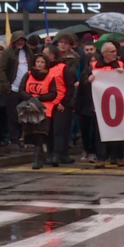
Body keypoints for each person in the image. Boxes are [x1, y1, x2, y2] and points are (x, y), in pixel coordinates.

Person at [89, 42, 124, 168]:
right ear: (104, 53)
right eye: (112, 51)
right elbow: (84, 81)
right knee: (100, 133)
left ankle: (119, 156)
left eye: (116, 51)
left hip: (117, 104)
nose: (115, 54)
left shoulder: (120, 65)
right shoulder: (94, 66)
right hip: (100, 105)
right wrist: (88, 79)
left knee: (118, 132)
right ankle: (101, 158)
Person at [19, 54, 58, 170]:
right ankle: (41, 156)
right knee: (32, 133)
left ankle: (37, 159)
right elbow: (21, 90)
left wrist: (39, 98)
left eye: (42, 62)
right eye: (38, 62)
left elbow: (53, 93)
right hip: (30, 107)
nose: (40, 64)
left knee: (41, 133)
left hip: (44, 108)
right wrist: (30, 97)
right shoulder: (28, 75)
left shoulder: (51, 76)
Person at [0, 31, 32, 151]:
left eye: (22, 40)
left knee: (26, 114)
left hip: (25, 89)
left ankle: (24, 138)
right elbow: (0, 69)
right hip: (12, 89)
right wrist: (7, 86)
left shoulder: (28, 52)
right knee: (12, 116)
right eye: (18, 40)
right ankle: (14, 139)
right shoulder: (7, 52)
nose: (20, 42)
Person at [48, 35, 79, 166]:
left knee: (64, 128)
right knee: (52, 129)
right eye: (61, 43)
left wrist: (61, 65)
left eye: (66, 43)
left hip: (66, 98)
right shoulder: (49, 59)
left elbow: (72, 75)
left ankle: (62, 154)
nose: (63, 45)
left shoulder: (74, 59)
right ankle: (53, 153)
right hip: (51, 99)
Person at [75, 53, 99, 163]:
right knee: (85, 129)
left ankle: (93, 151)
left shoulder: (102, 74)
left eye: (95, 61)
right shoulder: (85, 74)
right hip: (85, 106)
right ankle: (85, 149)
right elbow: (80, 91)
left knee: (94, 131)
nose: (92, 63)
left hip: (96, 106)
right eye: (91, 61)